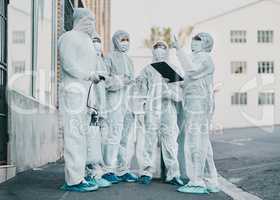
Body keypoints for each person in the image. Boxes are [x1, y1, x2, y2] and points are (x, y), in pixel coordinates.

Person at [58, 8, 101, 192]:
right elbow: (68, 64)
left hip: (84, 93)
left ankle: (79, 176)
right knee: (74, 135)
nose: (91, 23)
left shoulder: (87, 40)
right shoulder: (69, 37)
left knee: (81, 135)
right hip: (73, 91)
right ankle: (73, 180)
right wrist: (89, 75)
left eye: (93, 20)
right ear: (79, 20)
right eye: (88, 20)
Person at [173, 33, 219, 194]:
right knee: (202, 141)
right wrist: (179, 82)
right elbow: (191, 79)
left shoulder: (204, 58)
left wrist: (179, 50)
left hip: (198, 105)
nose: (193, 45)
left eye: (197, 43)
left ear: (206, 44)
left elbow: (191, 72)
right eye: (192, 42)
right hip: (195, 103)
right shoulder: (197, 58)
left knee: (195, 140)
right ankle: (211, 180)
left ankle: (197, 181)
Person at [137, 41, 184, 185]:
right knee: (149, 140)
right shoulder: (147, 70)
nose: (159, 51)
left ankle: (173, 173)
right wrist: (141, 109)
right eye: (157, 48)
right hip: (152, 108)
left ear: (167, 51)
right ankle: (146, 172)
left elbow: (180, 92)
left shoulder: (173, 68)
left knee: (169, 141)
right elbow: (141, 93)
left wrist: (169, 93)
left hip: (168, 108)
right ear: (153, 51)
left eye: (163, 48)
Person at [102, 30, 138, 183]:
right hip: (114, 101)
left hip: (127, 102)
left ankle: (122, 169)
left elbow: (132, 82)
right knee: (113, 135)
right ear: (115, 41)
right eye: (122, 39)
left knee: (125, 138)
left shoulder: (129, 60)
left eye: (127, 39)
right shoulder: (109, 58)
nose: (125, 42)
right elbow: (106, 81)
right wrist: (122, 80)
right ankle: (108, 169)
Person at [84, 33, 112, 188]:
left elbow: (103, 87)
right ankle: (90, 174)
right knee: (90, 141)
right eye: (94, 42)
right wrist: (94, 107)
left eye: (98, 42)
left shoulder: (101, 61)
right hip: (90, 105)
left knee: (98, 141)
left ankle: (96, 172)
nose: (96, 45)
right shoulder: (87, 61)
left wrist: (103, 108)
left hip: (99, 106)